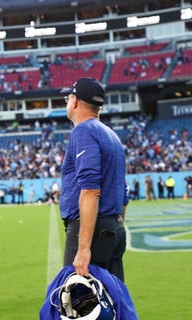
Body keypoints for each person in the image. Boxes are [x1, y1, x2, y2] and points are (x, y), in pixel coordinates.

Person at [60, 77, 127, 281]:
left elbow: (90, 190)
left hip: (92, 229)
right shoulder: (111, 135)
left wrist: (83, 248)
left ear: (75, 101)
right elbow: (123, 191)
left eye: (68, 98)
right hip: (113, 226)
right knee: (113, 300)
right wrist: (116, 225)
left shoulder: (84, 131)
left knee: (79, 303)